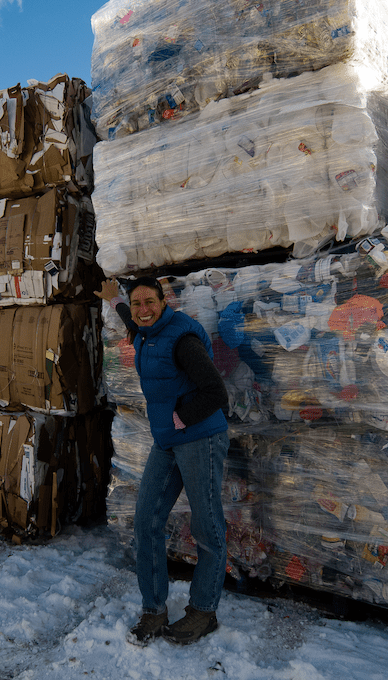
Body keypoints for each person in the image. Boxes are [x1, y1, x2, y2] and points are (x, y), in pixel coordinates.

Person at [97, 276, 230, 646]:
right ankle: (154, 610)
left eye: (150, 302)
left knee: (207, 526)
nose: (143, 310)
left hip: (200, 439)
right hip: (168, 441)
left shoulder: (182, 339)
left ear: (164, 301)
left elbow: (216, 392)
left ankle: (204, 611)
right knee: (146, 521)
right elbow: (133, 321)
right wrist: (115, 300)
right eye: (137, 303)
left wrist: (180, 418)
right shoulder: (145, 330)